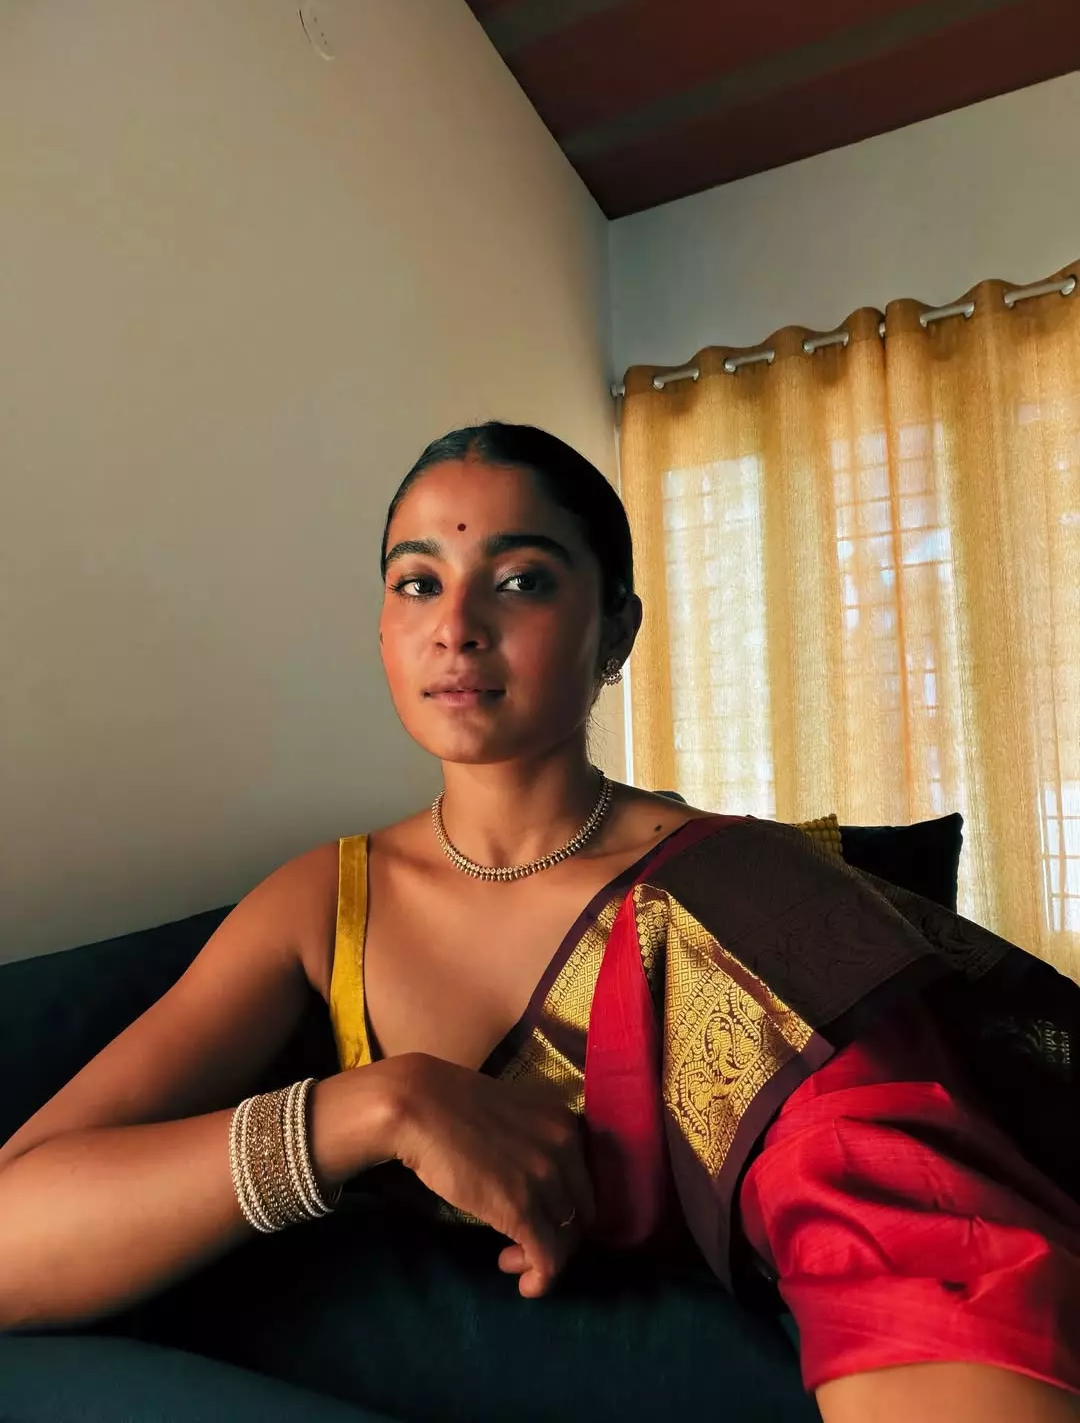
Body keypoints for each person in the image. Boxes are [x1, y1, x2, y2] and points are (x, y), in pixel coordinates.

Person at [1, 422, 1078, 1423]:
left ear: (617, 628)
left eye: (519, 580)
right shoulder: (326, 901)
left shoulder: (746, 902)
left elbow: (929, 1264)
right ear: (382, 627)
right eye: (418, 582)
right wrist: (375, 1107)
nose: (456, 626)